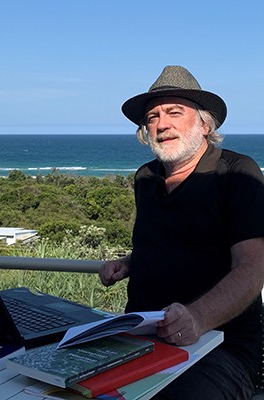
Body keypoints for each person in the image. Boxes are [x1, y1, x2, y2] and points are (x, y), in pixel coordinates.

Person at [99, 66, 264, 399]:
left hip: (219, 347)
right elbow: (177, 238)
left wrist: (197, 318)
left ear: (204, 124)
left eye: (174, 112)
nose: (162, 124)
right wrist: (131, 261)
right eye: (152, 117)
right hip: (141, 338)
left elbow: (253, 266)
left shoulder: (236, 173)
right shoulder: (146, 177)